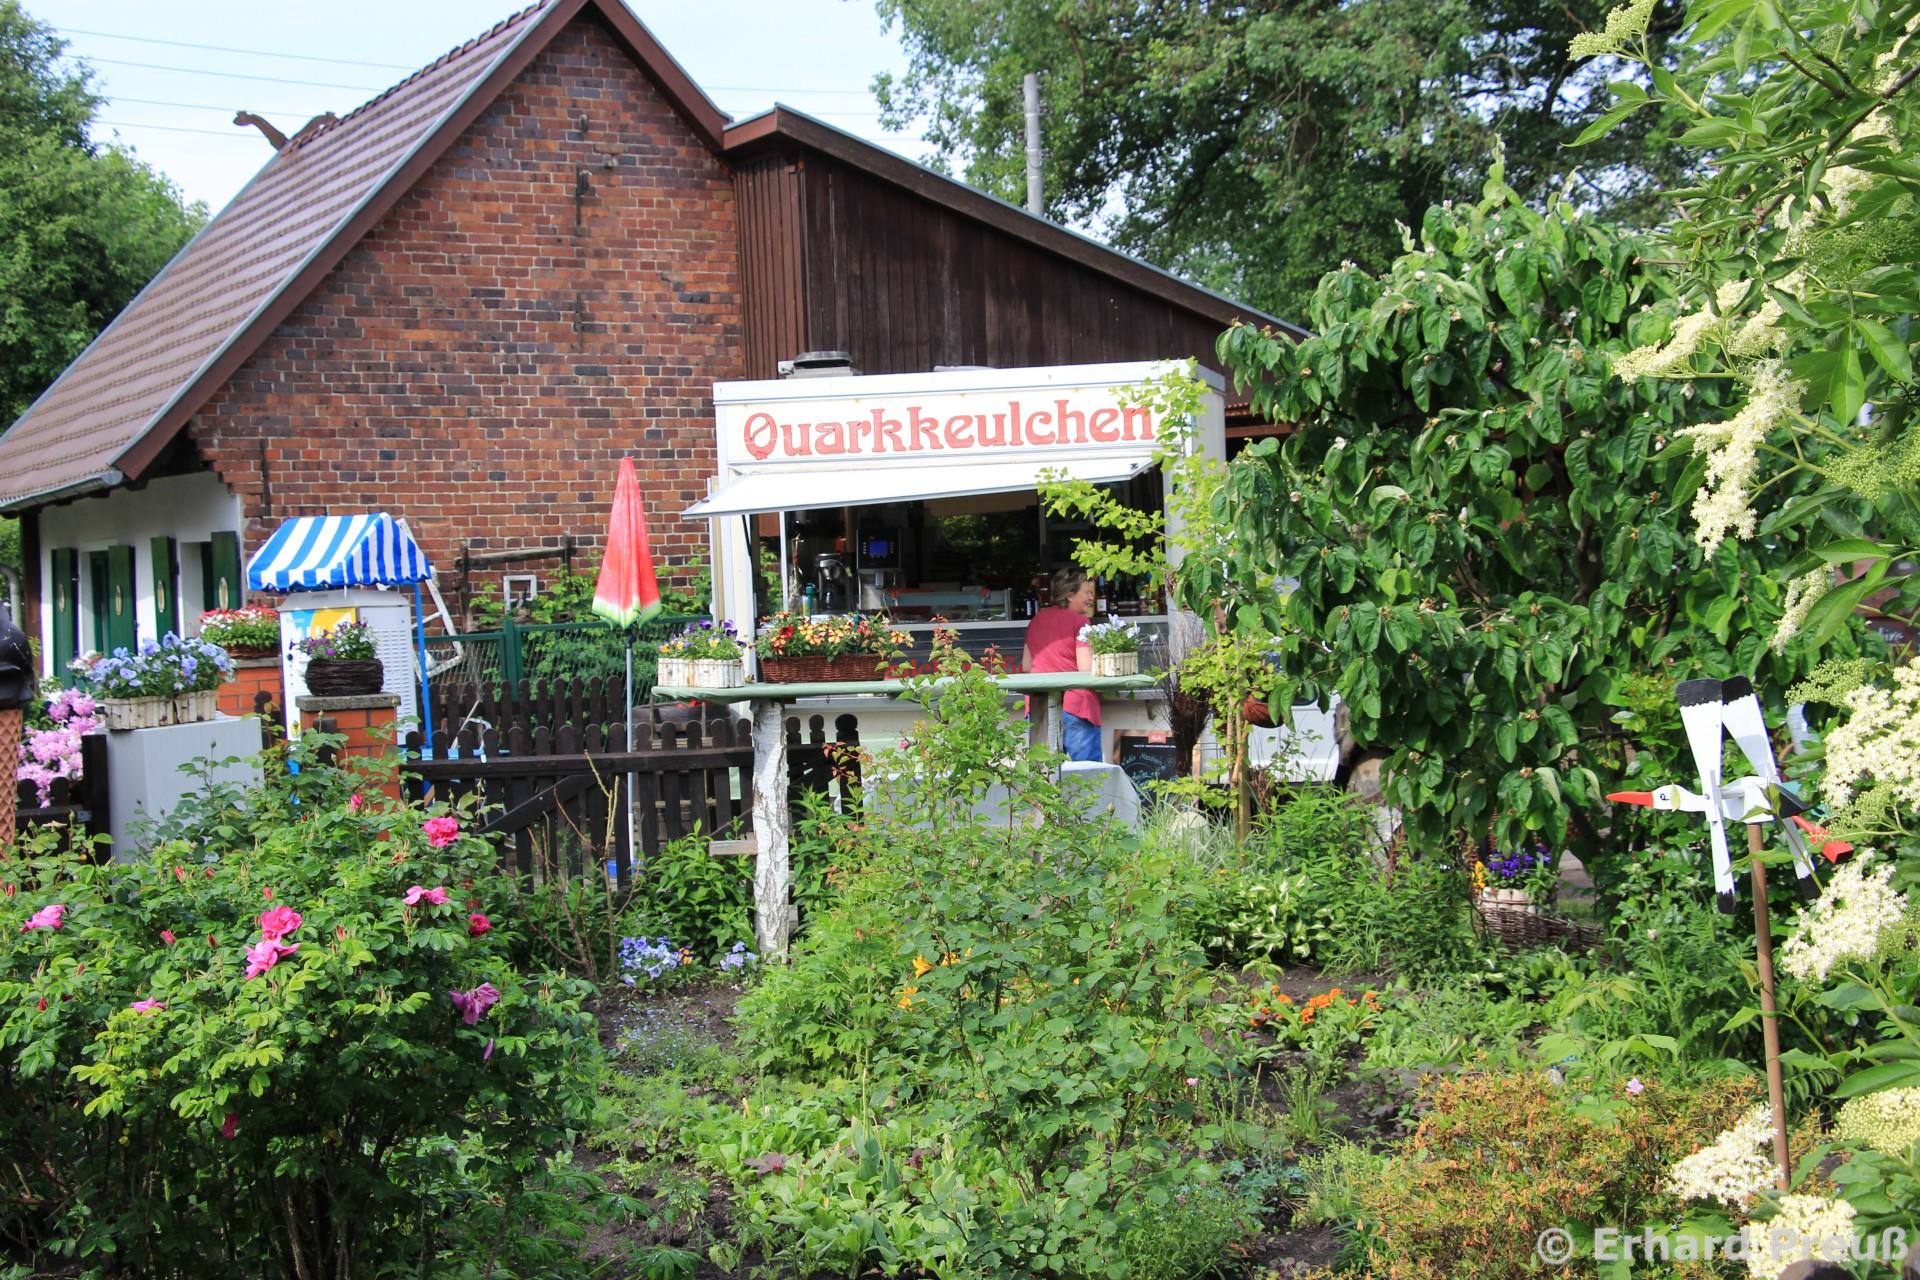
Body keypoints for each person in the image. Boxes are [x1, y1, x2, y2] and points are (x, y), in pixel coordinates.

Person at [1022, 566, 1102, 762]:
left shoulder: (1037, 620)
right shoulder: (1080, 622)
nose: (1091, 598)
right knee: (1088, 774)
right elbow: (1086, 669)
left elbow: (1027, 666)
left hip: (1039, 706)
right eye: (1087, 592)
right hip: (1076, 706)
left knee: (1044, 773)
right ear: (1069, 595)